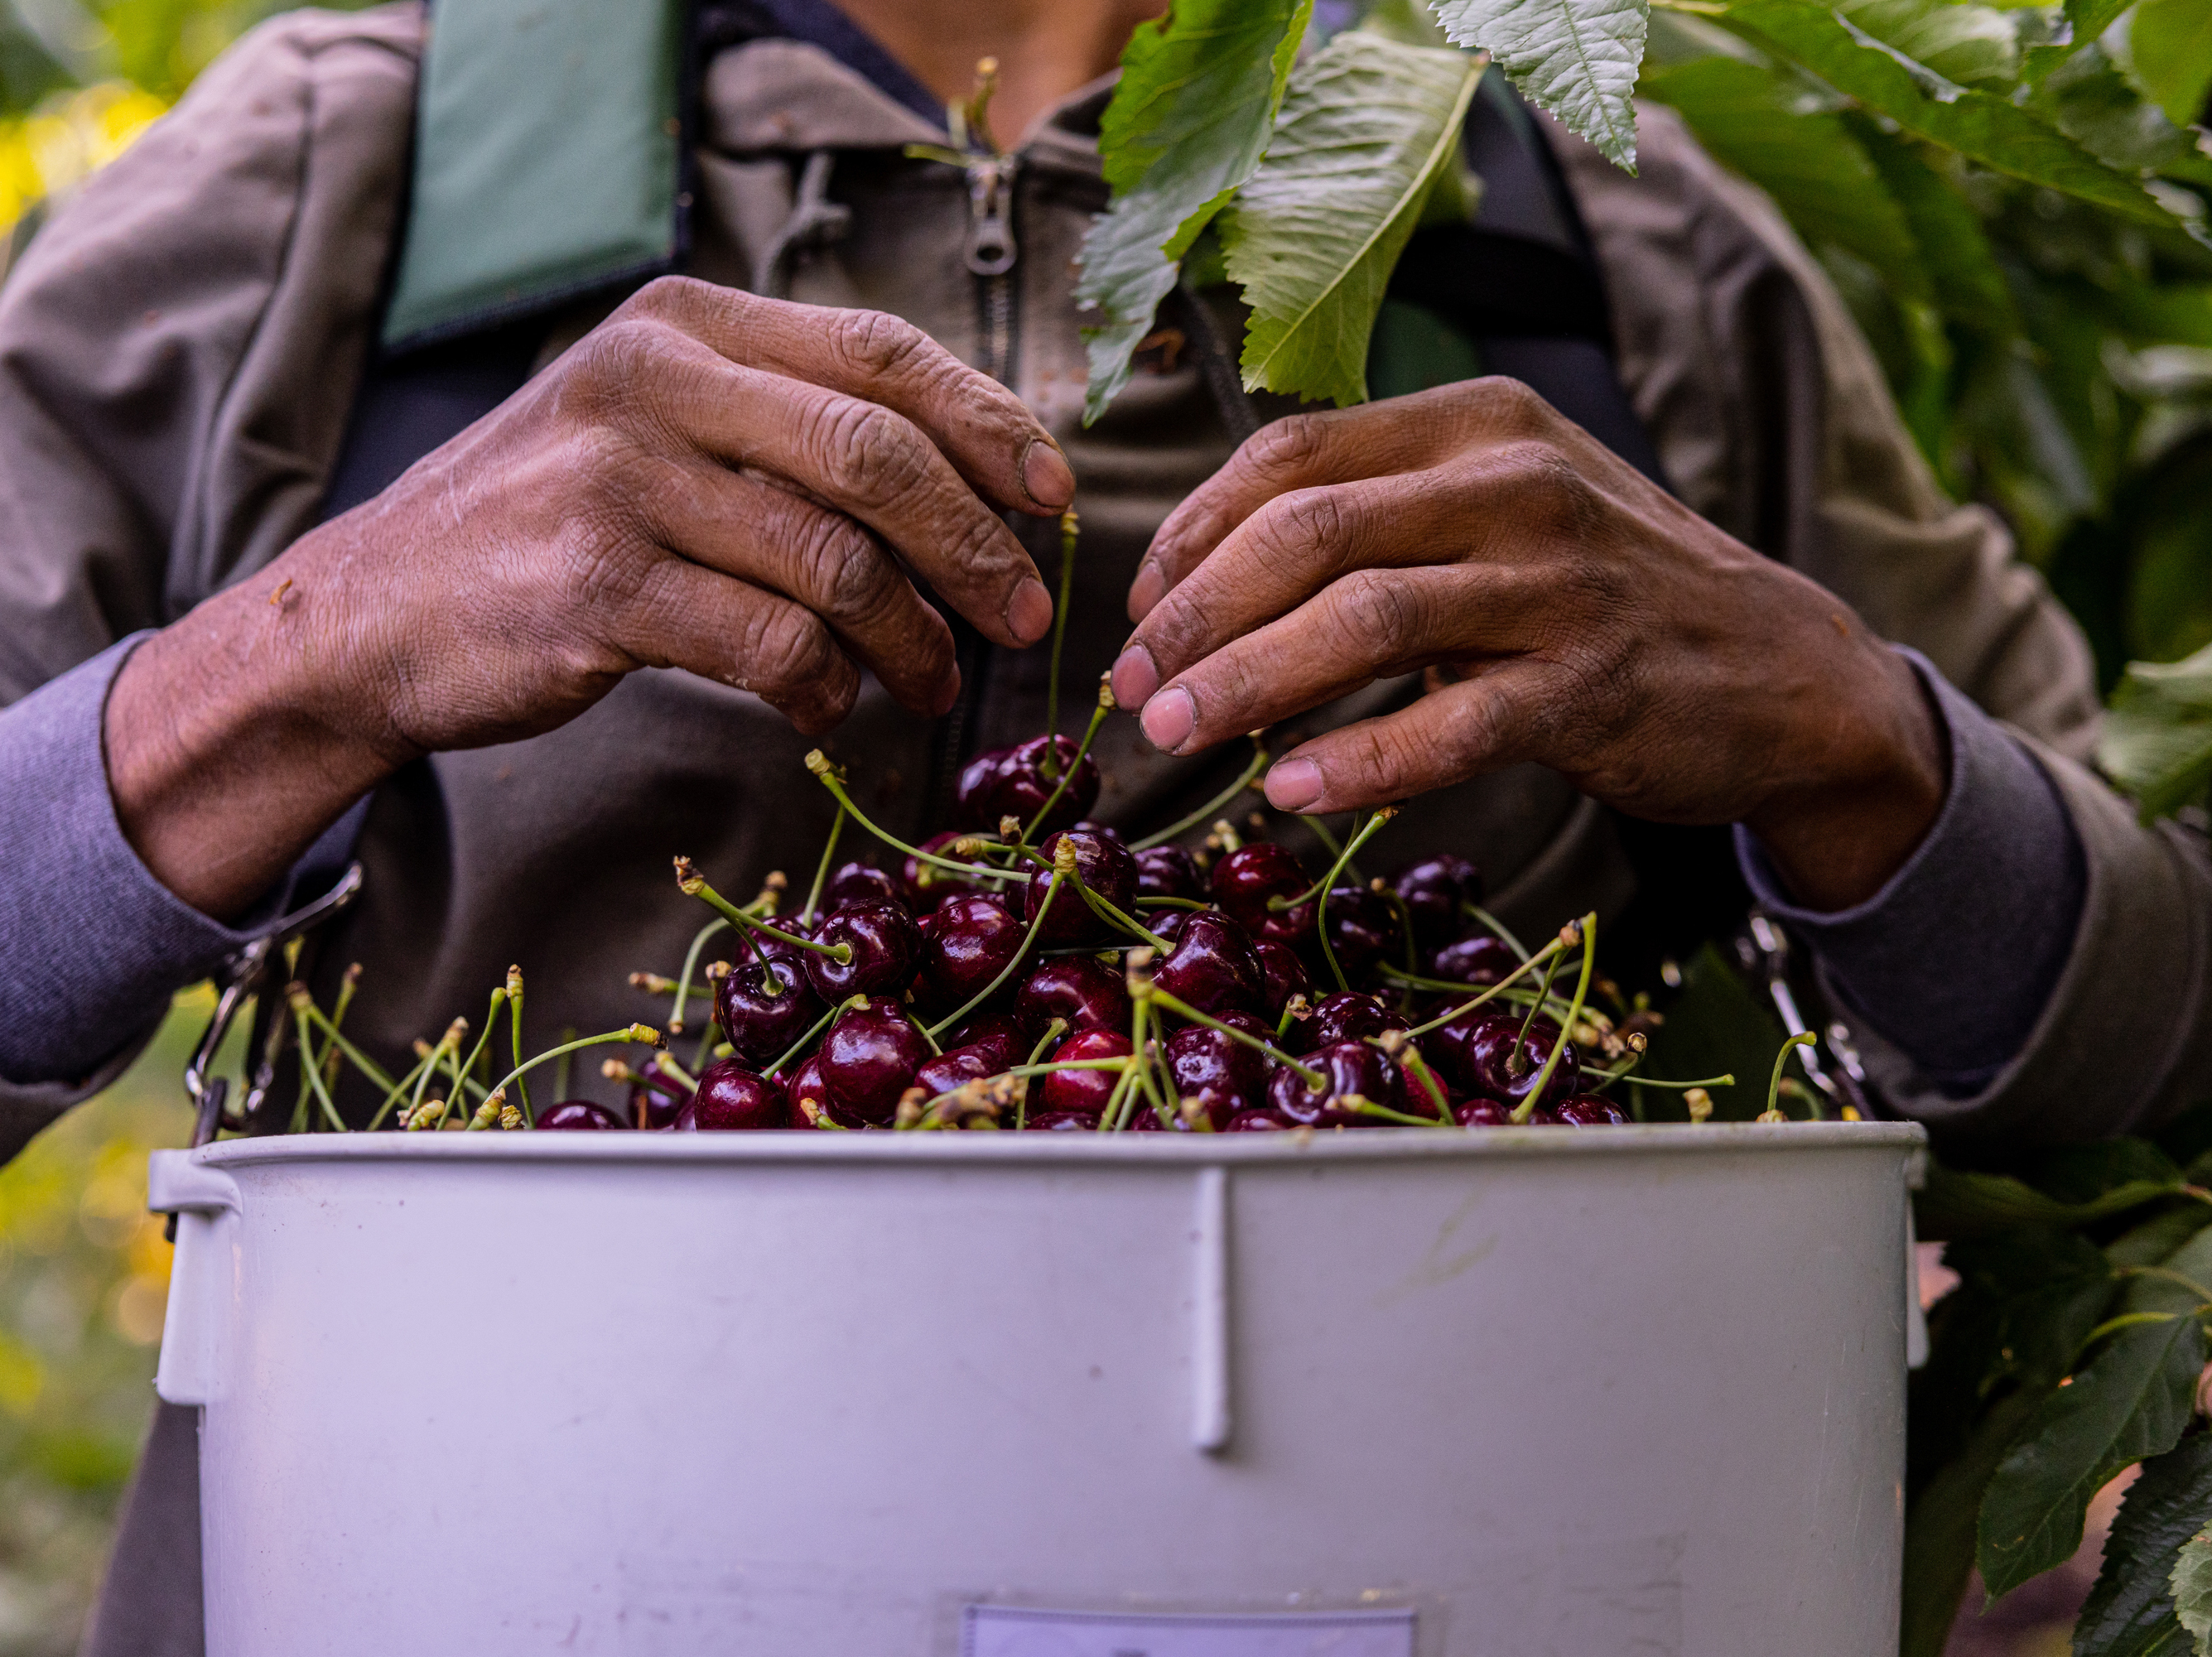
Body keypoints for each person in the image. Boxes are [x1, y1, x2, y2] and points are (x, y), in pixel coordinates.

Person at [0, 0, 2203, 1648]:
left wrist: (1859, 747)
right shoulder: (337, 192)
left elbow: (2164, 1042)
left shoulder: (1606, 250)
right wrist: (294, 649)